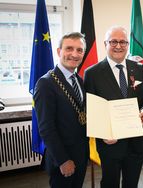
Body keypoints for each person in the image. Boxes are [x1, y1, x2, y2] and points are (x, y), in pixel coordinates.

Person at [84, 26, 143, 188]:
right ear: (105, 44)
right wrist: (103, 133)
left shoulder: (138, 68)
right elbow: (89, 108)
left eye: (123, 42)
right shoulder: (92, 73)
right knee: (110, 183)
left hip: (135, 141)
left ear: (128, 44)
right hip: (110, 144)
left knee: (132, 183)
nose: (118, 46)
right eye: (113, 41)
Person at [34, 32, 89, 188]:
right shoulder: (46, 83)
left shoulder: (78, 79)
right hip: (62, 159)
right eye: (69, 48)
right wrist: (63, 160)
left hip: (81, 154)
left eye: (79, 50)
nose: (74, 54)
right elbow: (46, 128)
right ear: (59, 52)